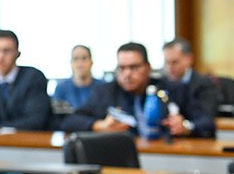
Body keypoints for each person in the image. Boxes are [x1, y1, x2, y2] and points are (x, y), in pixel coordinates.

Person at [62, 42, 191, 136]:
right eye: (122, 68)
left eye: (134, 67)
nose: (127, 74)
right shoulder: (105, 92)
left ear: (148, 68)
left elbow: (204, 121)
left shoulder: (171, 89)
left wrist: (186, 126)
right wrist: (100, 126)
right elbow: (70, 121)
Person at [0, 30, 51, 131]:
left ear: (17, 54)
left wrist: (0, 127)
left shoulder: (33, 77)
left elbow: (36, 120)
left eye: (7, 51)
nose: (0, 57)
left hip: (30, 140)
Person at [161, 38, 219, 137]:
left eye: (174, 62)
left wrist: (187, 126)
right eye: (167, 62)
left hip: (199, 140)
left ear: (189, 59)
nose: (170, 67)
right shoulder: (161, 84)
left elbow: (208, 120)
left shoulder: (205, 84)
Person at [52, 45, 105, 111]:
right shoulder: (61, 89)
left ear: (91, 62)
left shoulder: (103, 88)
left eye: (84, 58)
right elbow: (59, 117)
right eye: (76, 59)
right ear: (71, 63)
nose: (80, 64)